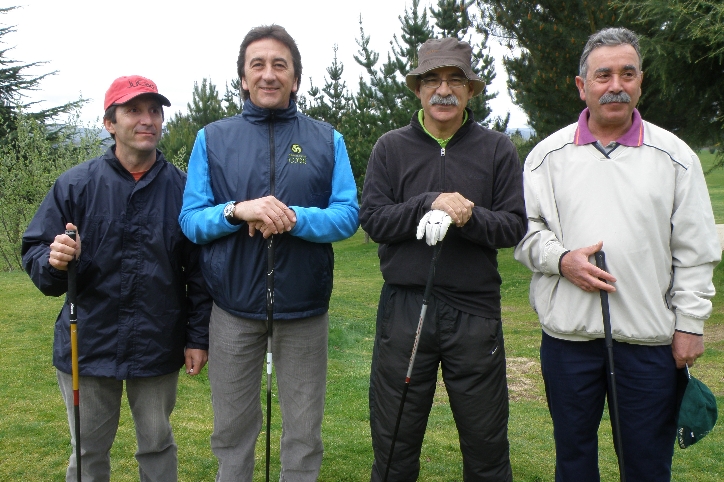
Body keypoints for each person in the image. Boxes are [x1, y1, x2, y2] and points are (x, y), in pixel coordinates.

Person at [514, 27, 721, 481]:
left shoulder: (676, 158)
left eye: (627, 74)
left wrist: (690, 325)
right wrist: (562, 259)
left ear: (640, 81)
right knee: (574, 461)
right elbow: (526, 235)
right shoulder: (546, 157)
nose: (616, 85)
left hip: (649, 345)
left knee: (646, 466)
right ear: (581, 85)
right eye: (603, 74)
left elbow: (696, 252)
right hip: (568, 342)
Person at [178, 25, 359, 481]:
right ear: (242, 77)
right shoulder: (212, 138)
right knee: (232, 432)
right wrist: (237, 211)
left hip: (304, 309)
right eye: (257, 65)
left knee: (303, 434)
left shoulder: (327, 139)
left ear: (296, 79)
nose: (269, 74)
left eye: (280, 65)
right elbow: (191, 220)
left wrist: (293, 217)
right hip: (233, 310)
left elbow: (347, 215)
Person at [21, 75, 211, 482]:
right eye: (134, 110)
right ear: (109, 123)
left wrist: (197, 337)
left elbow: (199, 273)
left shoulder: (184, 191)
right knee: (88, 451)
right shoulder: (76, 185)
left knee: (158, 445)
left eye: (155, 111)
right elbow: (37, 254)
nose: (147, 120)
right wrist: (53, 259)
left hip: (159, 341)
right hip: (87, 341)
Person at [360, 37, 526, 482]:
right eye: (432, 80)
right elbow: (374, 220)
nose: (443, 90)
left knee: (486, 443)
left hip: (474, 312)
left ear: (471, 90)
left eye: (455, 79)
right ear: (418, 89)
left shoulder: (497, 149)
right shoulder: (390, 148)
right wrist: (428, 202)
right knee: (394, 442)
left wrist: (467, 216)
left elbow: (513, 226)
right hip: (405, 309)